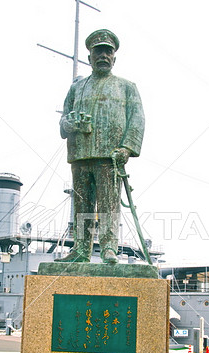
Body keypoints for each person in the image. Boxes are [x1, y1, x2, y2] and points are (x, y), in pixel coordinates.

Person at [58, 29, 145, 264]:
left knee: (109, 205)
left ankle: (109, 248)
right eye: (98, 52)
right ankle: (81, 249)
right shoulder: (76, 88)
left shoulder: (126, 87)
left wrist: (127, 148)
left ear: (114, 58)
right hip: (81, 154)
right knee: (82, 205)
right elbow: (63, 119)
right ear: (89, 58)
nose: (103, 56)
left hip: (110, 156)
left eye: (108, 52)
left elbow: (137, 119)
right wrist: (67, 123)